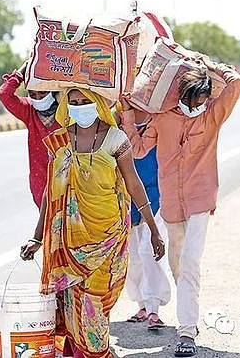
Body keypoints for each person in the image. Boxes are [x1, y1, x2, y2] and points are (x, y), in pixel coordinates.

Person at [20, 87, 165, 358]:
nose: (79, 106)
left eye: (85, 101)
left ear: (98, 102)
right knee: (74, 309)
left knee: (93, 309)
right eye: (73, 101)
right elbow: (50, 192)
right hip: (68, 244)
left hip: (107, 238)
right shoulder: (60, 141)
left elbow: (133, 184)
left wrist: (153, 230)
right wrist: (37, 237)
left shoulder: (116, 138)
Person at [121, 55, 240, 357]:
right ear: (181, 96)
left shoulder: (213, 115)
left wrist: (209, 64)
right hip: (171, 201)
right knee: (177, 261)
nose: (197, 105)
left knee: (189, 261)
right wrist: (126, 114)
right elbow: (137, 148)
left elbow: (235, 82)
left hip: (201, 198)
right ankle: (190, 302)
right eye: (193, 100)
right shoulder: (164, 118)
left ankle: (186, 331)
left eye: (202, 99)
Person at [124, 108, 171, 331]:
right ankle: (141, 304)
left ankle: (154, 308)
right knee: (132, 256)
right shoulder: (117, 118)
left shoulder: (161, 118)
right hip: (127, 193)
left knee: (148, 251)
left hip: (157, 193)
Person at [0, 60, 60, 208]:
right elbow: (4, 94)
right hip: (41, 184)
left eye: (43, 93)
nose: (38, 98)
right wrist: (23, 70)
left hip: (69, 183)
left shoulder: (68, 111)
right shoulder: (29, 111)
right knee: (46, 228)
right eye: (32, 94)